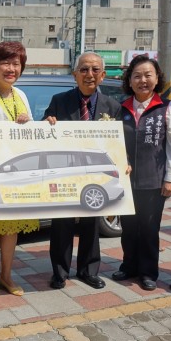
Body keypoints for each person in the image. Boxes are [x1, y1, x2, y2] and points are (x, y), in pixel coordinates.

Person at [43, 52, 121, 290]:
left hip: (95, 175)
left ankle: (88, 270)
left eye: (95, 70)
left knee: (91, 224)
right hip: (66, 173)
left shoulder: (113, 106)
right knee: (61, 225)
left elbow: (117, 144)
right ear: (75, 74)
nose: (89, 75)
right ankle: (59, 272)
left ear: (103, 75)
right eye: (84, 69)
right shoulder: (59, 100)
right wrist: (47, 122)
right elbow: (45, 132)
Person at [0, 41, 39, 297]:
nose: (11, 69)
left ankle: (6, 275)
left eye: (16, 64)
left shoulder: (21, 95)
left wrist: (29, 124)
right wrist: (17, 125)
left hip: (19, 174)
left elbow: (31, 133)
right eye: (6, 63)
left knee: (12, 228)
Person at [112, 55, 171, 291]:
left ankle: (148, 271)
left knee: (149, 229)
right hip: (126, 181)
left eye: (148, 75)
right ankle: (129, 265)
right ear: (129, 81)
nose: (143, 80)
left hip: (154, 181)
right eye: (137, 76)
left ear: (157, 78)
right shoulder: (121, 108)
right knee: (128, 227)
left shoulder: (167, 109)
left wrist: (170, 178)